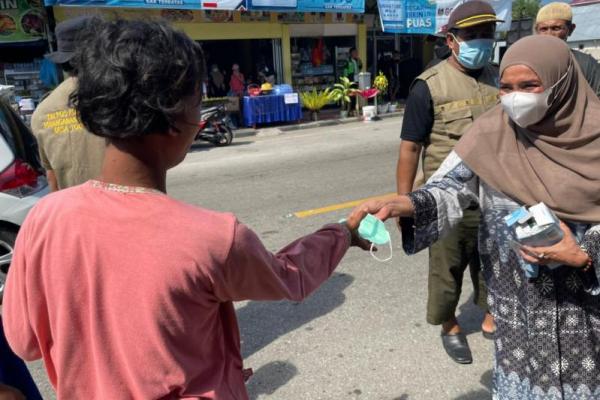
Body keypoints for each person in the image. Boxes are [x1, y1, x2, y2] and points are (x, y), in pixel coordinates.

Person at [2, 19, 371, 399]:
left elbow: (24, 340)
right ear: (175, 117)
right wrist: (342, 233)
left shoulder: (42, 222)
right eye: (198, 100)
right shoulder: (212, 237)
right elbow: (290, 277)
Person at [363, 34, 600, 399]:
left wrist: (585, 256)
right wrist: (406, 204)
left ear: (560, 82)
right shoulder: (491, 132)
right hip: (515, 302)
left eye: (529, 85)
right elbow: (449, 187)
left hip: (584, 308)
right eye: (505, 87)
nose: (515, 97)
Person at [396, 0, 499, 365]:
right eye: (473, 35)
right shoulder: (429, 86)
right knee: (447, 268)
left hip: (496, 195)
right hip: (447, 199)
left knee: (494, 262)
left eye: (488, 33)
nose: (482, 41)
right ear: (452, 40)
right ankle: (450, 325)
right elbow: (410, 149)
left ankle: (490, 314)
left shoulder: (500, 77)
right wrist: (405, 203)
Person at [31, 16, 105, 192]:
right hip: (122, 211)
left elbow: (52, 179)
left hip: (72, 212)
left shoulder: (43, 111)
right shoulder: (119, 97)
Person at [535, 2, 600, 97]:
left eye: (556, 28)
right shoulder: (526, 63)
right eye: (543, 29)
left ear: (571, 29)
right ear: (537, 31)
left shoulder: (586, 64)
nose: (549, 34)